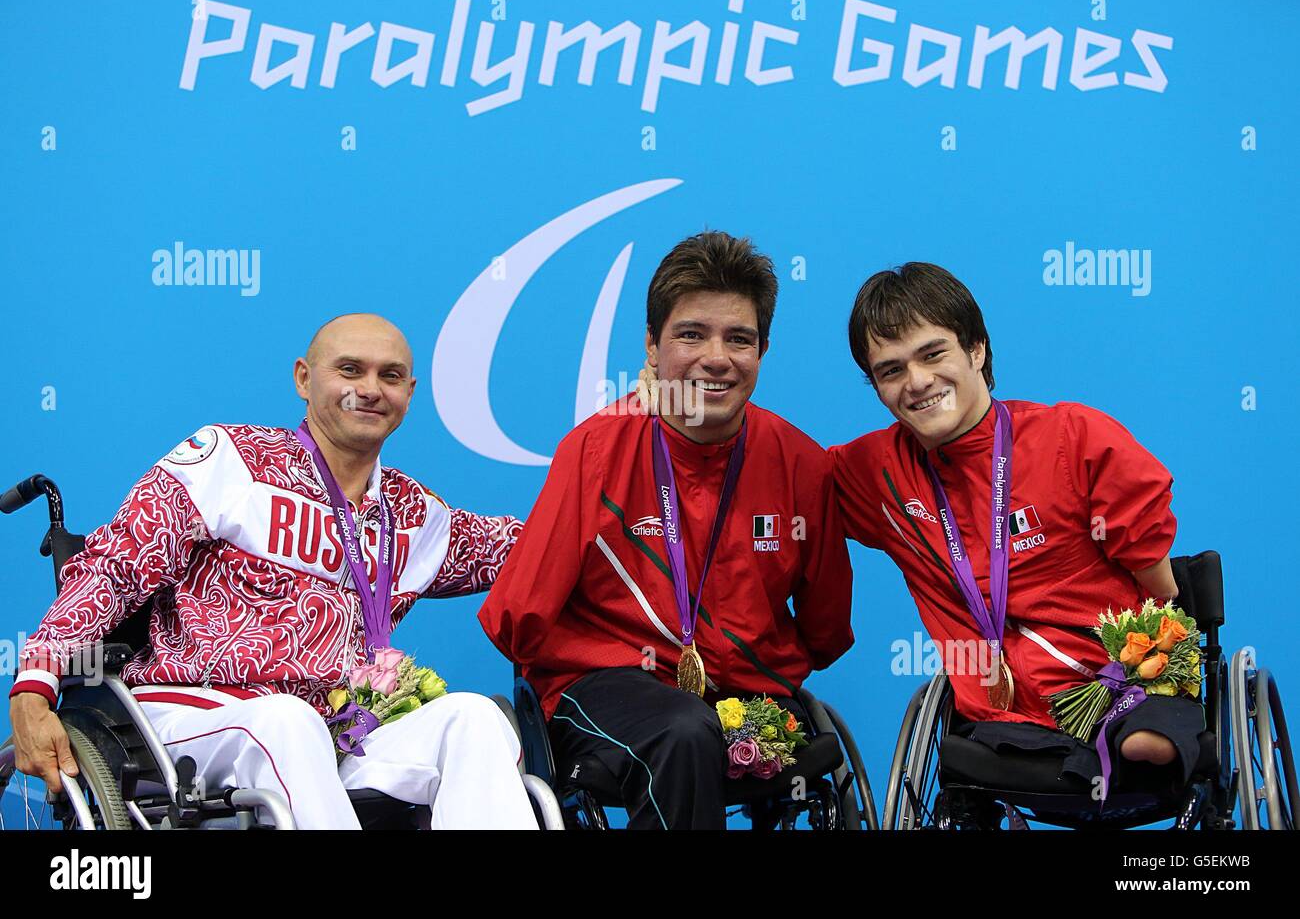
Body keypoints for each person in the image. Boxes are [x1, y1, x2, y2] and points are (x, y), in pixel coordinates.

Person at [8, 313, 537, 829]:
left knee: (472, 718)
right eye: (350, 370)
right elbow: (112, 569)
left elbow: (537, 545)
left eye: (390, 376)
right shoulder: (230, 460)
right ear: (304, 379)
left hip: (334, 733)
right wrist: (34, 687)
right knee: (286, 719)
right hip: (193, 714)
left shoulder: (412, 513)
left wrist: (607, 490)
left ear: (410, 393)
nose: (371, 389)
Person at [479, 231, 854, 829]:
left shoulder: (800, 463)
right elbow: (515, 618)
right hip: (609, 691)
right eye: (690, 334)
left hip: (748, 698)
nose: (717, 356)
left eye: (739, 339)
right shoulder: (598, 450)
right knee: (684, 731)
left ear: (763, 351)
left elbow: (827, 629)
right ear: (652, 346)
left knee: (699, 727)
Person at [829, 263, 1204, 798]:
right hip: (1000, 716)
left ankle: (1140, 732)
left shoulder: (1072, 437)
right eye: (890, 370)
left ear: (976, 350)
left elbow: (1161, 588)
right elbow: (766, 476)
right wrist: (665, 405)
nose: (916, 382)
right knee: (981, 748)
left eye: (933, 354)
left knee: (1157, 724)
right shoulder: (874, 473)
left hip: (1122, 681)